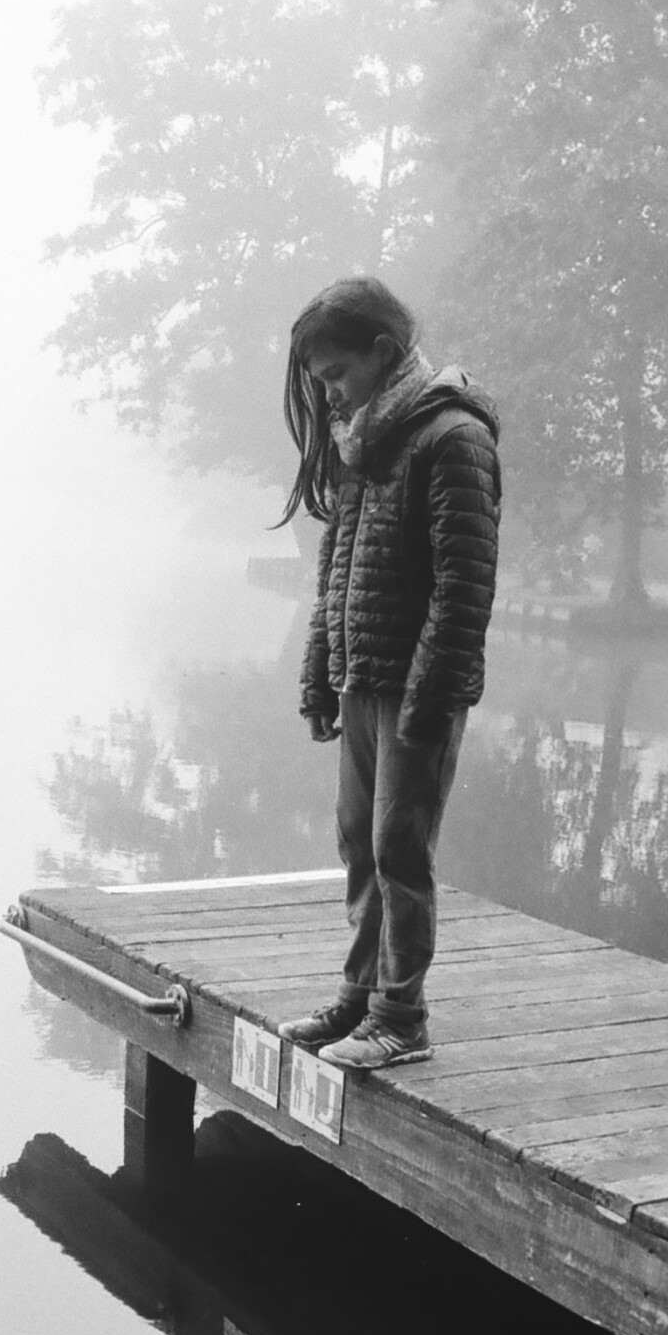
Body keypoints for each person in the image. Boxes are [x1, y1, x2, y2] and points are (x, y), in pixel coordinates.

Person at [275, 277, 500, 1070]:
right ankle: (361, 995)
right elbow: (334, 571)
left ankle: (401, 1018)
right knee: (358, 844)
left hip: (416, 689)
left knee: (401, 850)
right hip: (363, 677)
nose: (328, 394)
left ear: (381, 352)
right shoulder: (364, 442)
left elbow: (464, 586)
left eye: (335, 375)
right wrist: (319, 672)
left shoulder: (452, 437)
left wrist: (429, 700)